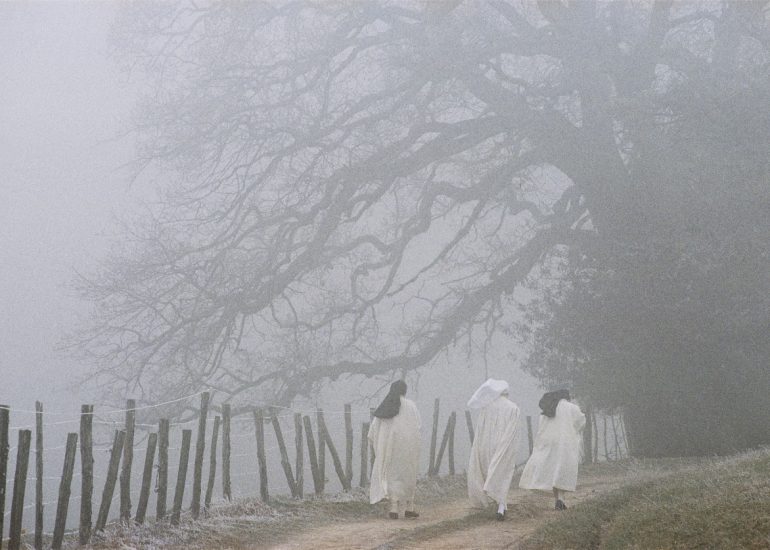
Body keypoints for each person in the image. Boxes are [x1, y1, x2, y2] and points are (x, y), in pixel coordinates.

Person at [519, 390, 586, 510]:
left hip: (549, 442)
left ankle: (559, 499)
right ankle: (560, 498)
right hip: (565, 442)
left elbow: (542, 428)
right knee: (562, 470)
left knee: (553, 469)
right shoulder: (571, 407)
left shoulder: (549, 409)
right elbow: (581, 422)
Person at [466, 378, 521, 521]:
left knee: (490, 471)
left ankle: (500, 503)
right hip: (503, 444)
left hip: (487, 445)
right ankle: (501, 506)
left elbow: (481, 429)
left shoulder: (487, 407)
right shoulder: (513, 408)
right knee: (502, 473)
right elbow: (512, 431)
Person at [368, 380, 422, 519]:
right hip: (408, 448)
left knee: (391, 475)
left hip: (390, 448)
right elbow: (418, 426)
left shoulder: (385, 406)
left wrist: (379, 444)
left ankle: (393, 508)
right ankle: (409, 506)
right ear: (405, 390)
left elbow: (373, 430)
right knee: (408, 475)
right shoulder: (411, 406)